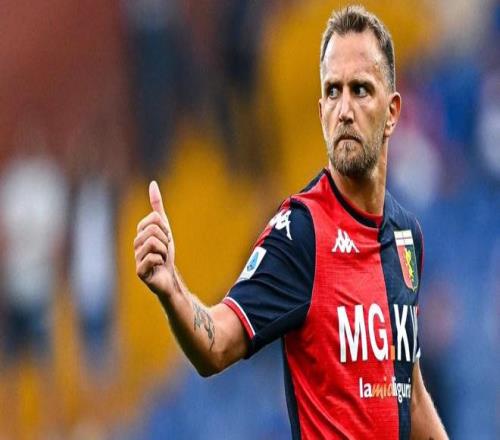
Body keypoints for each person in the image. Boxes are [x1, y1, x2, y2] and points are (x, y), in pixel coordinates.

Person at [134, 5, 448, 439]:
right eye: (334, 92)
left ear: (391, 109)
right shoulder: (299, 234)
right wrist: (172, 289)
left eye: (361, 90)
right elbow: (217, 343)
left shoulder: (402, 235)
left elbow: (411, 395)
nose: (347, 111)